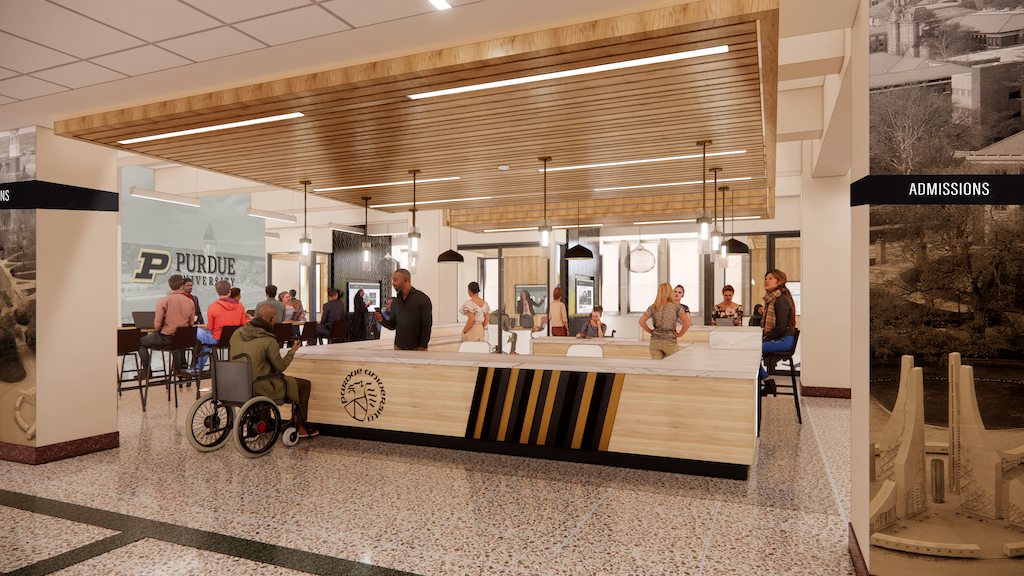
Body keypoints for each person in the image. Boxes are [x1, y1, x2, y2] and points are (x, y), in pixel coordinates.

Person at [230, 304, 317, 438]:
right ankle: (300, 427)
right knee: (304, 385)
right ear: (271, 320)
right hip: (258, 385)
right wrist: (292, 352)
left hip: (237, 384)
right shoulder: (269, 339)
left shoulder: (237, 333)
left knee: (263, 374)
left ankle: (264, 420)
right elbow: (280, 367)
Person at [138, 274, 195, 378]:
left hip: (167, 339)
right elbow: (191, 324)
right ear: (182, 286)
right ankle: (178, 368)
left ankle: (147, 371)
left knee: (140, 342)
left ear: (169, 285)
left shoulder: (163, 301)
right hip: (182, 340)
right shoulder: (190, 302)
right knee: (177, 343)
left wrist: (159, 329)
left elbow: (157, 325)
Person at [192, 280, 246, 372]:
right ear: (229, 292)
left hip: (216, 340)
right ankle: (197, 368)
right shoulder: (240, 306)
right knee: (207, 345)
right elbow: (243, 324)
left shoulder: (212, 307)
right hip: (233, 339)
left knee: (194, 329)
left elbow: (210, 327)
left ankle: (197, 369)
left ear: (217, 292)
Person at [759, 269, 797, 396]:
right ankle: (767, 381)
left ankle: (768, 382)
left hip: (784, 340)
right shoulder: (773, 299)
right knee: (750, 349)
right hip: (779, 338)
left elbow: (780, 328)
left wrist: (765, 339)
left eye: (770, 278)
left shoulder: (781, 300)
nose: (766, 281)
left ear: (780, 281)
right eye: (765, 278)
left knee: (750, 350)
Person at [374, 269, 432, 350]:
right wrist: (381, 320)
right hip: (398, 346)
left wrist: (423, 346)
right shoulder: (395, 302)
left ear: (405, 280)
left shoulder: (422, 299)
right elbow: (393, 325)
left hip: (416, 348)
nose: (393, 283)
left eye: (395, 280)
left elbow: (426, 325)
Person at [639, 283, 689, 359]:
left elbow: (641, 321)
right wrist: (679, 334)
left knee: (658, 368)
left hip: (655, 341)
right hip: (669, 341)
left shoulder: (653, 307)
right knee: (671, 368)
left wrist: (651, 331)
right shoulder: (676, 307)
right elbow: (687, 323)